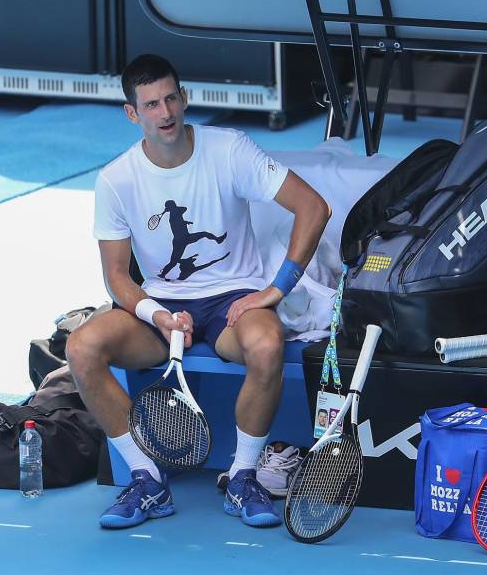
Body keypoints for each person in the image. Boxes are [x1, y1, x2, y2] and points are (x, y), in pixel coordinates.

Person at [66, 54, 330, 530]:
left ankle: (242, 477)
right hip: (164, 308)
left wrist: (276, 289)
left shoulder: (229, 150)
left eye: (170, 98)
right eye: (150, 105)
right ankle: (147, 478)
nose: (164, 113)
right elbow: (117, 277)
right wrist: (156, 315)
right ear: (133, 114)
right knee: (82, 347)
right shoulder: (116, 180)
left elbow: (313, 207)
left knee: (267, 345)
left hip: (234, 301)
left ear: (184, 97)